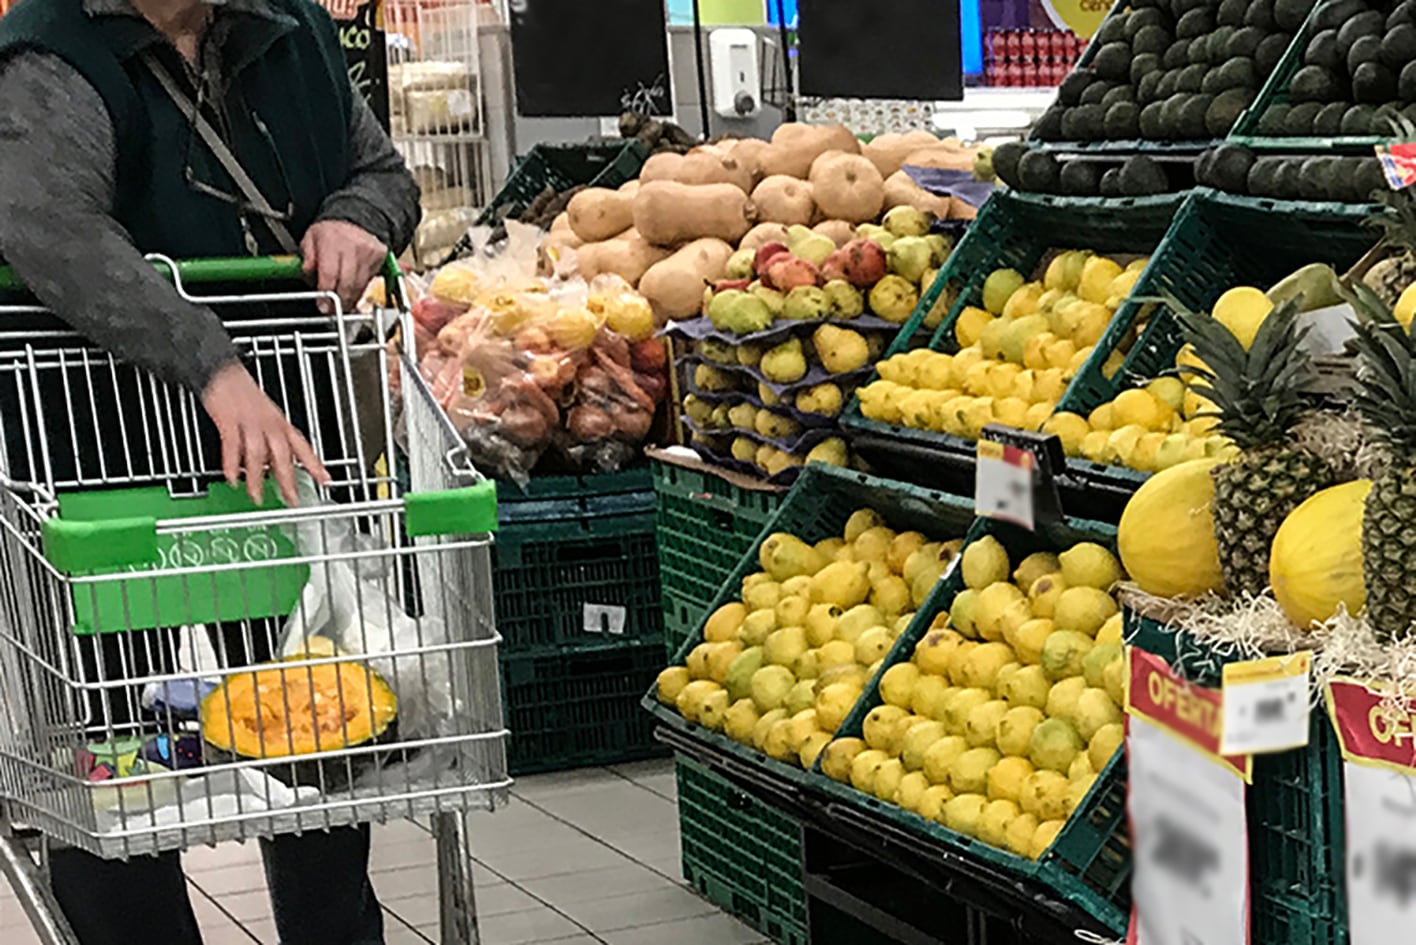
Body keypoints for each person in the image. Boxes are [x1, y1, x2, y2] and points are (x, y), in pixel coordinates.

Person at [0, 1, 421, 943]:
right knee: (115, 776)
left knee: (315, 734)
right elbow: (48, 229)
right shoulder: (48, 55)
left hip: (279, 461)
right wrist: (211, 364)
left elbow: (383, 175)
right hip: (101, 477)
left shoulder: (293, 30)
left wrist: (358, 218)